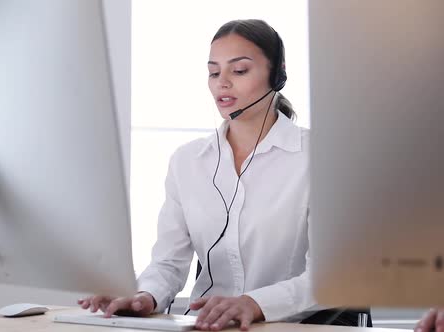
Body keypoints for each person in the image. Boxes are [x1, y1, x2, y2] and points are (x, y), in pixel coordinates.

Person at [78, 19, 319, 331]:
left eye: (240, 70)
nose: (222, 83)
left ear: (278, 73)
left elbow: (328, 279)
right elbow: (169, 262)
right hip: (207, 327)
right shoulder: (188, 162)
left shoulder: (319, 158)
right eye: (214, 72)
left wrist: (255, 303)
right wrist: (143, 296)